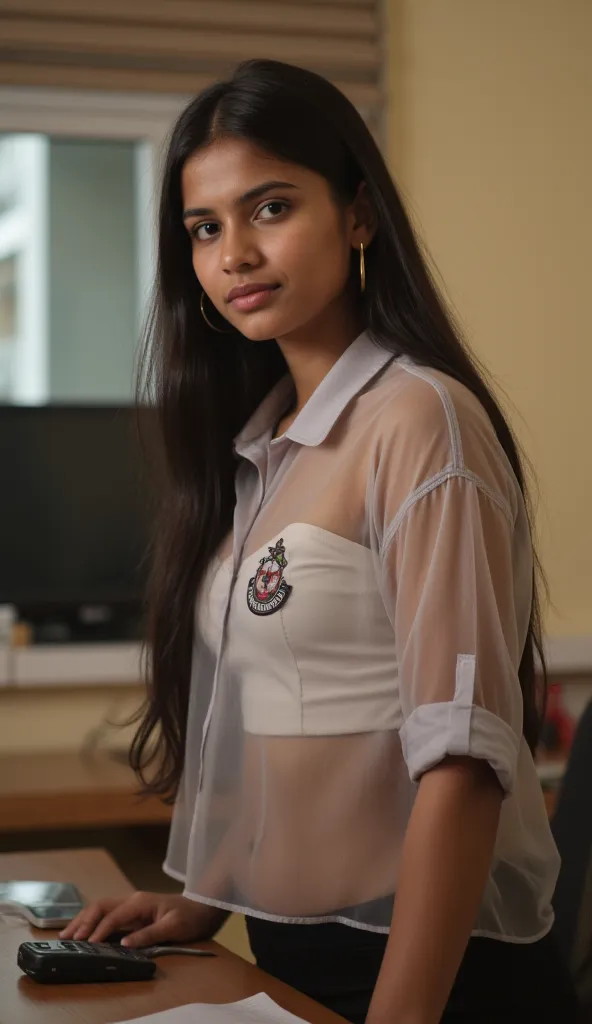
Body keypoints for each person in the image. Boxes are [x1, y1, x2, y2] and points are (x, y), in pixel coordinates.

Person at [61, 60, 578, 1022]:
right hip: (290, 955)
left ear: (358, 214)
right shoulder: (268, 442)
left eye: (269, 208)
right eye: (204, 228)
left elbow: (461, 762)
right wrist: (205, 899)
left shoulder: (420, 418)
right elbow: (284, 723)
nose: (233, 255)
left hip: (427, 981)